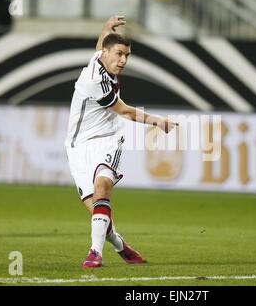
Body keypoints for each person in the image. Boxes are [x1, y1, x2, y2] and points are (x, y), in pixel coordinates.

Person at [65, 16, 178, 268]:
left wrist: (106, 28)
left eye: (126, 55)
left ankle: (94, 253)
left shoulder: (99, 58)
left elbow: (99, 46)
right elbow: (125, 111)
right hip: (77, 147)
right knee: (97, 210)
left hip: (108, 139)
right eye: (118, 54)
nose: (123, 60)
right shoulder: (96, 81)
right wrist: (156, 121)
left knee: (102, 188)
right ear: (106, 53)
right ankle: (120, 245)